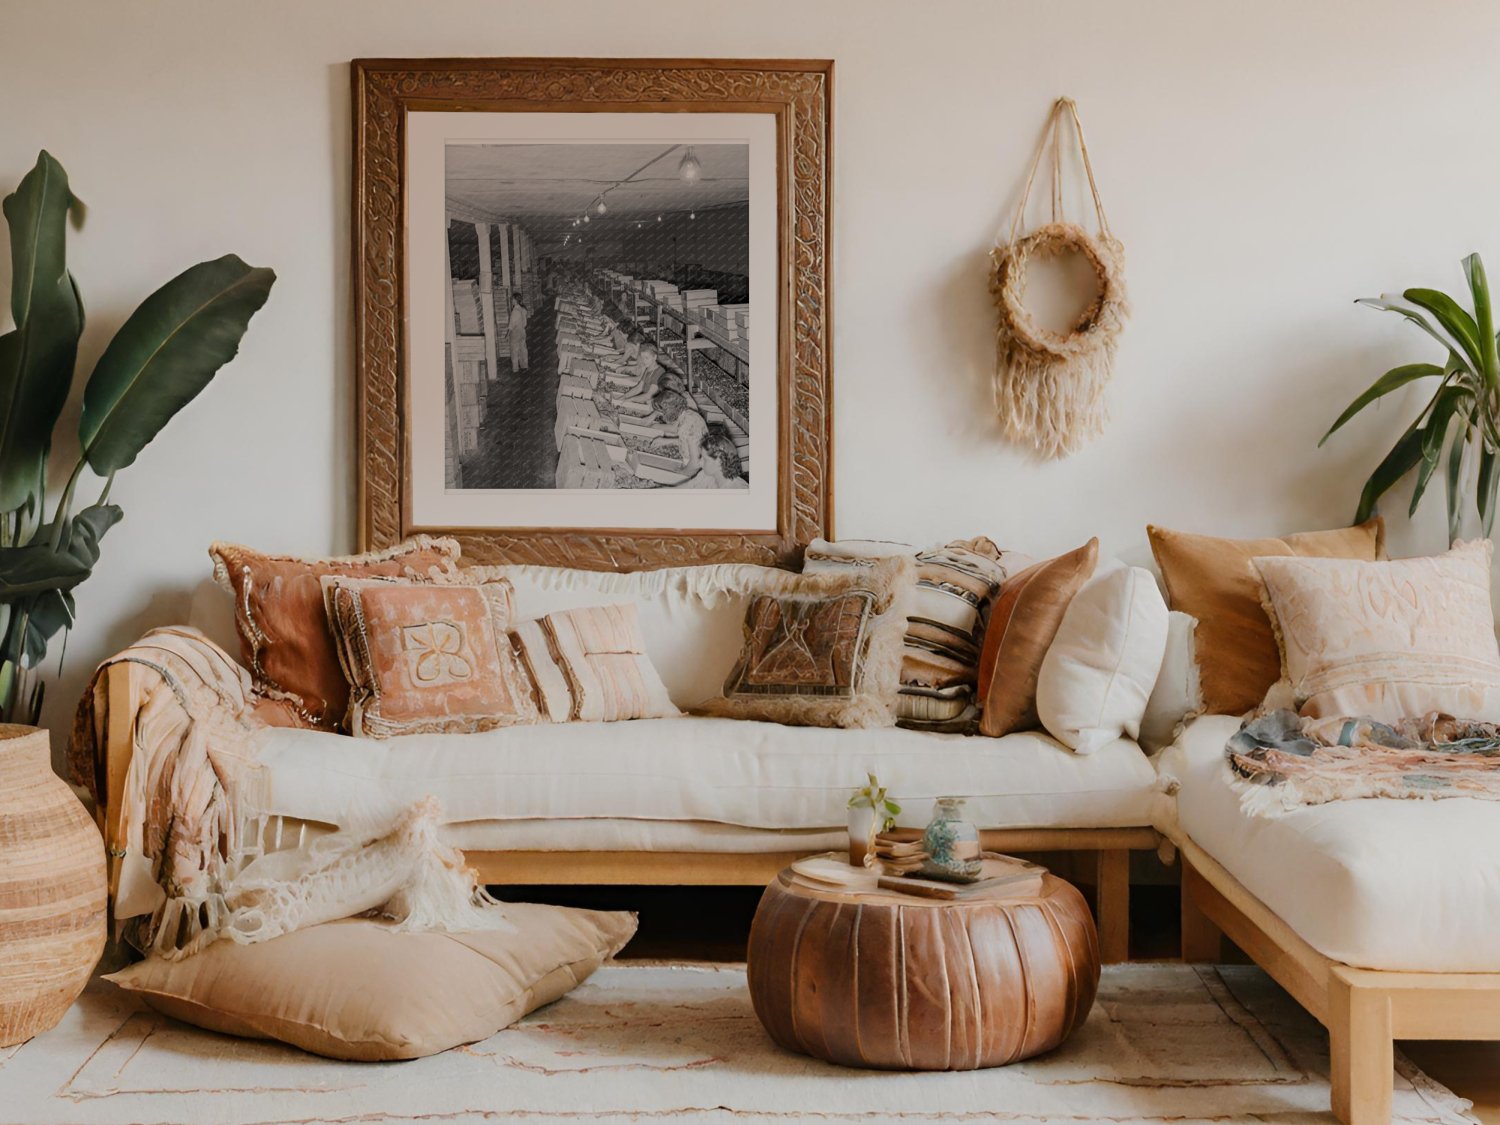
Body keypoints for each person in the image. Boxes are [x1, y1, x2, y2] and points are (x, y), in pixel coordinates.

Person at [646, 387, 708, 478]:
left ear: (669, 412)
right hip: (694, 458)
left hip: (697, 468)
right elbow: (688, 441)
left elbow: (695, 463)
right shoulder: (688, 414)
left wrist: (681, 473)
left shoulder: (686, 425)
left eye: (662, 413)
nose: (662, 417)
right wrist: (665, 441)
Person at [678, 423, 749, 489]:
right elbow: (683, 489)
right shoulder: (705, 475)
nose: (700, 463)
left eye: (705, 459)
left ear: (719, 462)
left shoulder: (738, 489)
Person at [508, 294, 529, 372]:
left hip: (515, 333)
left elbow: (511, 324)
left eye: (513, 299)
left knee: (514, 350)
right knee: (523, 349)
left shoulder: (515, 311)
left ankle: (515, 368)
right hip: (522, 331)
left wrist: (508, 334)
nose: (512, 301)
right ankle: (524, 365)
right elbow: (525, 323)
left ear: (516, 300)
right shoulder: (523, 309)